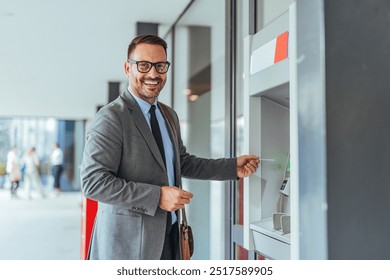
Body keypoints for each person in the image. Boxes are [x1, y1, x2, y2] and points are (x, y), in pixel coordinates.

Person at [80, 34, 260, 260]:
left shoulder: (168, 115)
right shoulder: (111, 117)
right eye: (143, 65)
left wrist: (232, 167)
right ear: (128, 68)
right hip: (128, 247)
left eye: (160, 66)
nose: (153, 74)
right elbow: (94, 183)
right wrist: (156, 197)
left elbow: (181, 163)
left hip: (171, 238)